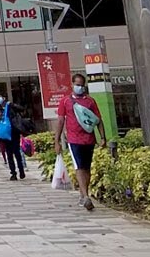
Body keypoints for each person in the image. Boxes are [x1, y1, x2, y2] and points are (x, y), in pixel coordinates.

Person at [55, 73, 106, 211]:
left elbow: (98, 120)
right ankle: (85, 196)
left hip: (89, 139)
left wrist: (102, 137)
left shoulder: (90, 101)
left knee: (87, 168)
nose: (79, 87)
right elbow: (60, 121)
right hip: (73, 139)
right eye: (77, 84)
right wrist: (57, 141)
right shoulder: (65, 101)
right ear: (72, 84)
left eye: (81, 85)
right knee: (79, 167)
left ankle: (84, 194)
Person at [0, 95, 27, 180]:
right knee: (9, 154)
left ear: (4, 98)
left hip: (14, 132)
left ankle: (21, 171)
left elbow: (22, 109)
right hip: (5, 134)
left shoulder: (11, 106)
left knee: (17, 153)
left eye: (0, 97)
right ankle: (13, 173)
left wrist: (12, 105)